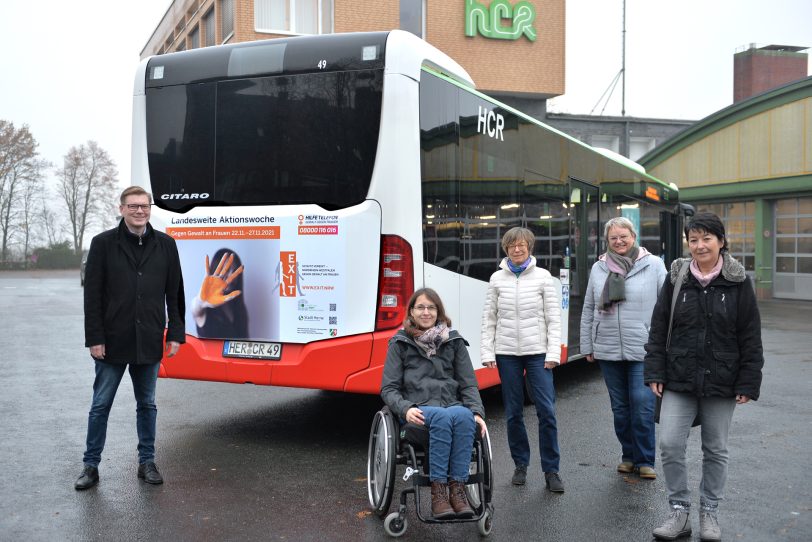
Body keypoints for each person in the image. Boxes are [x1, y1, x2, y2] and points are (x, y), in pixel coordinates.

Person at [644, 212, 763, 541]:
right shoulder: (677, 277)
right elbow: (659, 327)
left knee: (715, 449)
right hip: (679, 376)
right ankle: (679, 512)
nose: (699, 245)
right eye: (693, 239)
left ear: (721, 242)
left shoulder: (737, 280)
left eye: (706, 239)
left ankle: (709, 512)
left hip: (722, 379)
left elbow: (750, 335)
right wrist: (654, 369)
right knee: (669, 444)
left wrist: (748, 381)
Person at [76, 186, 185, 490]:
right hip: (111, 340)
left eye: (145, 206)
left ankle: (146, 462)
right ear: (122, 208)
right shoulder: (103, 244)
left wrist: (175, 333)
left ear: (150, 209)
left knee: (147, 404)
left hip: (149, 338)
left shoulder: (165, 245)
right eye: (134, 206)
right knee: (100, 405)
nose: (140, 211)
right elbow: (93, 296)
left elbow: (175, 293)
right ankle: (90, 465)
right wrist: (94, 337)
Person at [380, 288, 487, 519]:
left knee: (464, 416)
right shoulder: (400, 343)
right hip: (417, 409)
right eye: (420, 307)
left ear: (438, 312)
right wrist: (405, 409)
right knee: (443, 416)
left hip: (451, 405)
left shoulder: (454, 341)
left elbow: (468, 384)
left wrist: (477, 412)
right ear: (411, 311)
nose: (426, 312)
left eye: (431, 307)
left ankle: (457, 490)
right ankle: (439, 494)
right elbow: (388, 389)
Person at [580, 217, 666, 480]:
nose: (618, 241)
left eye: (623, 236)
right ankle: (628, 456)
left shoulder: (653, 265)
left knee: (641, 406)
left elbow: (666, 308)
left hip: (644, 348)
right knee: (620, 408)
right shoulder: (599, 267)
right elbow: (589, 307)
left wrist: (664, 346)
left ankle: (645, 460)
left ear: (633, 235)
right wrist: (587, 343)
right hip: (607, 347)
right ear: (607, 240)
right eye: (613, 238)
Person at [480, 226, 564, 493]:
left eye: (521, 245)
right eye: (511, 245)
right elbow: (489, 319)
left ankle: (551, 470)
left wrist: (553, 354)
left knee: (546, 412)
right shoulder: (496, 279)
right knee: (513, 413)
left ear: (530, 247)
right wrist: (487, 352)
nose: (517, 249)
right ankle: (520, 465)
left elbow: (553, 318)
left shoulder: (543, 277)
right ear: (506, 249)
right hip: (507, 354)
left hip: (538, 353)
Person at [191, 249, 248, 338]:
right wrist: (200, 301)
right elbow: (196, 310)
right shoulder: (205, 308)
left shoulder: (238, 307)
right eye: (228, 270)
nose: (231, 276)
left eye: (234, 271)